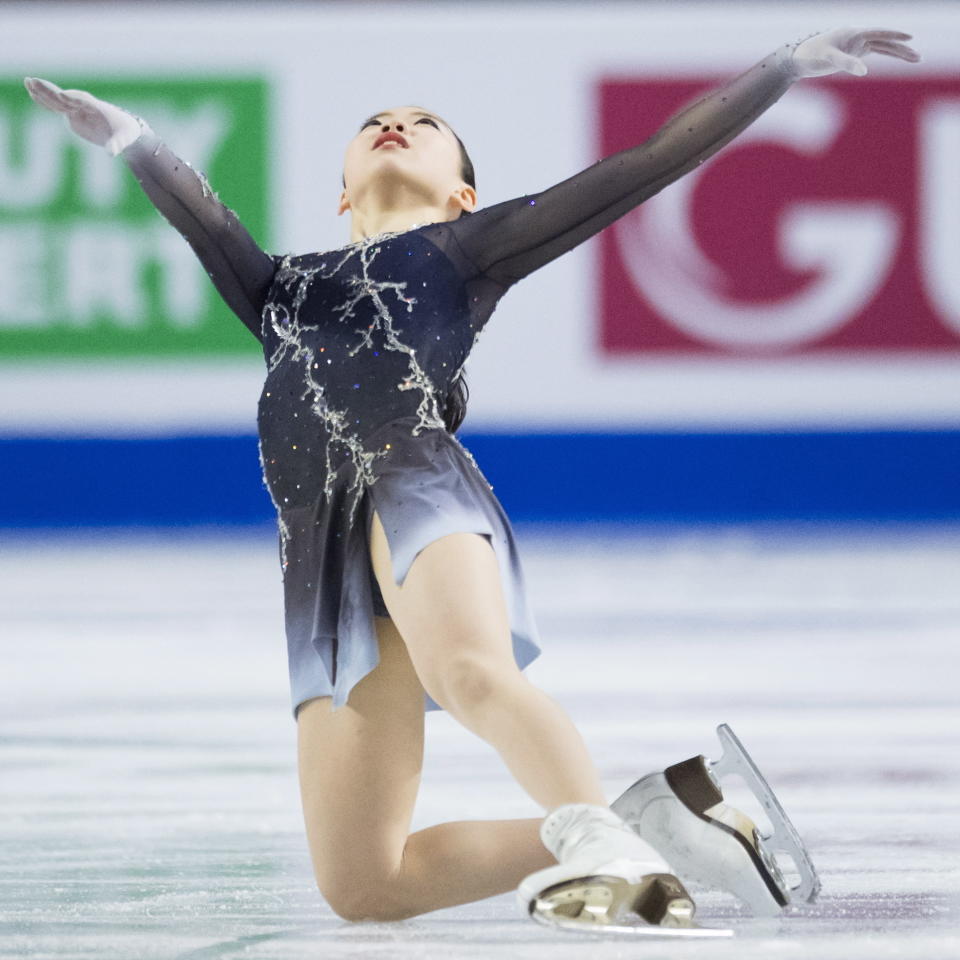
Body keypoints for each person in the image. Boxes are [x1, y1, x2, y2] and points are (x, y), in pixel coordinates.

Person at [24, 25, 919, 934]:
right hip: (320, 563)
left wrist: (781, 69)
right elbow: (207, 221)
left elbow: (644, 164)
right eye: (377, 119)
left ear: (464, 193)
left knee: (469, 672)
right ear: (340, 193)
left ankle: (611, 859)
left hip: (413, 483)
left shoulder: (463, 253)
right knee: (365, 884)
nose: (395, 124)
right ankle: (658, 826)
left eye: (424, 122)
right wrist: (130, 138)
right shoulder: (280, 289)